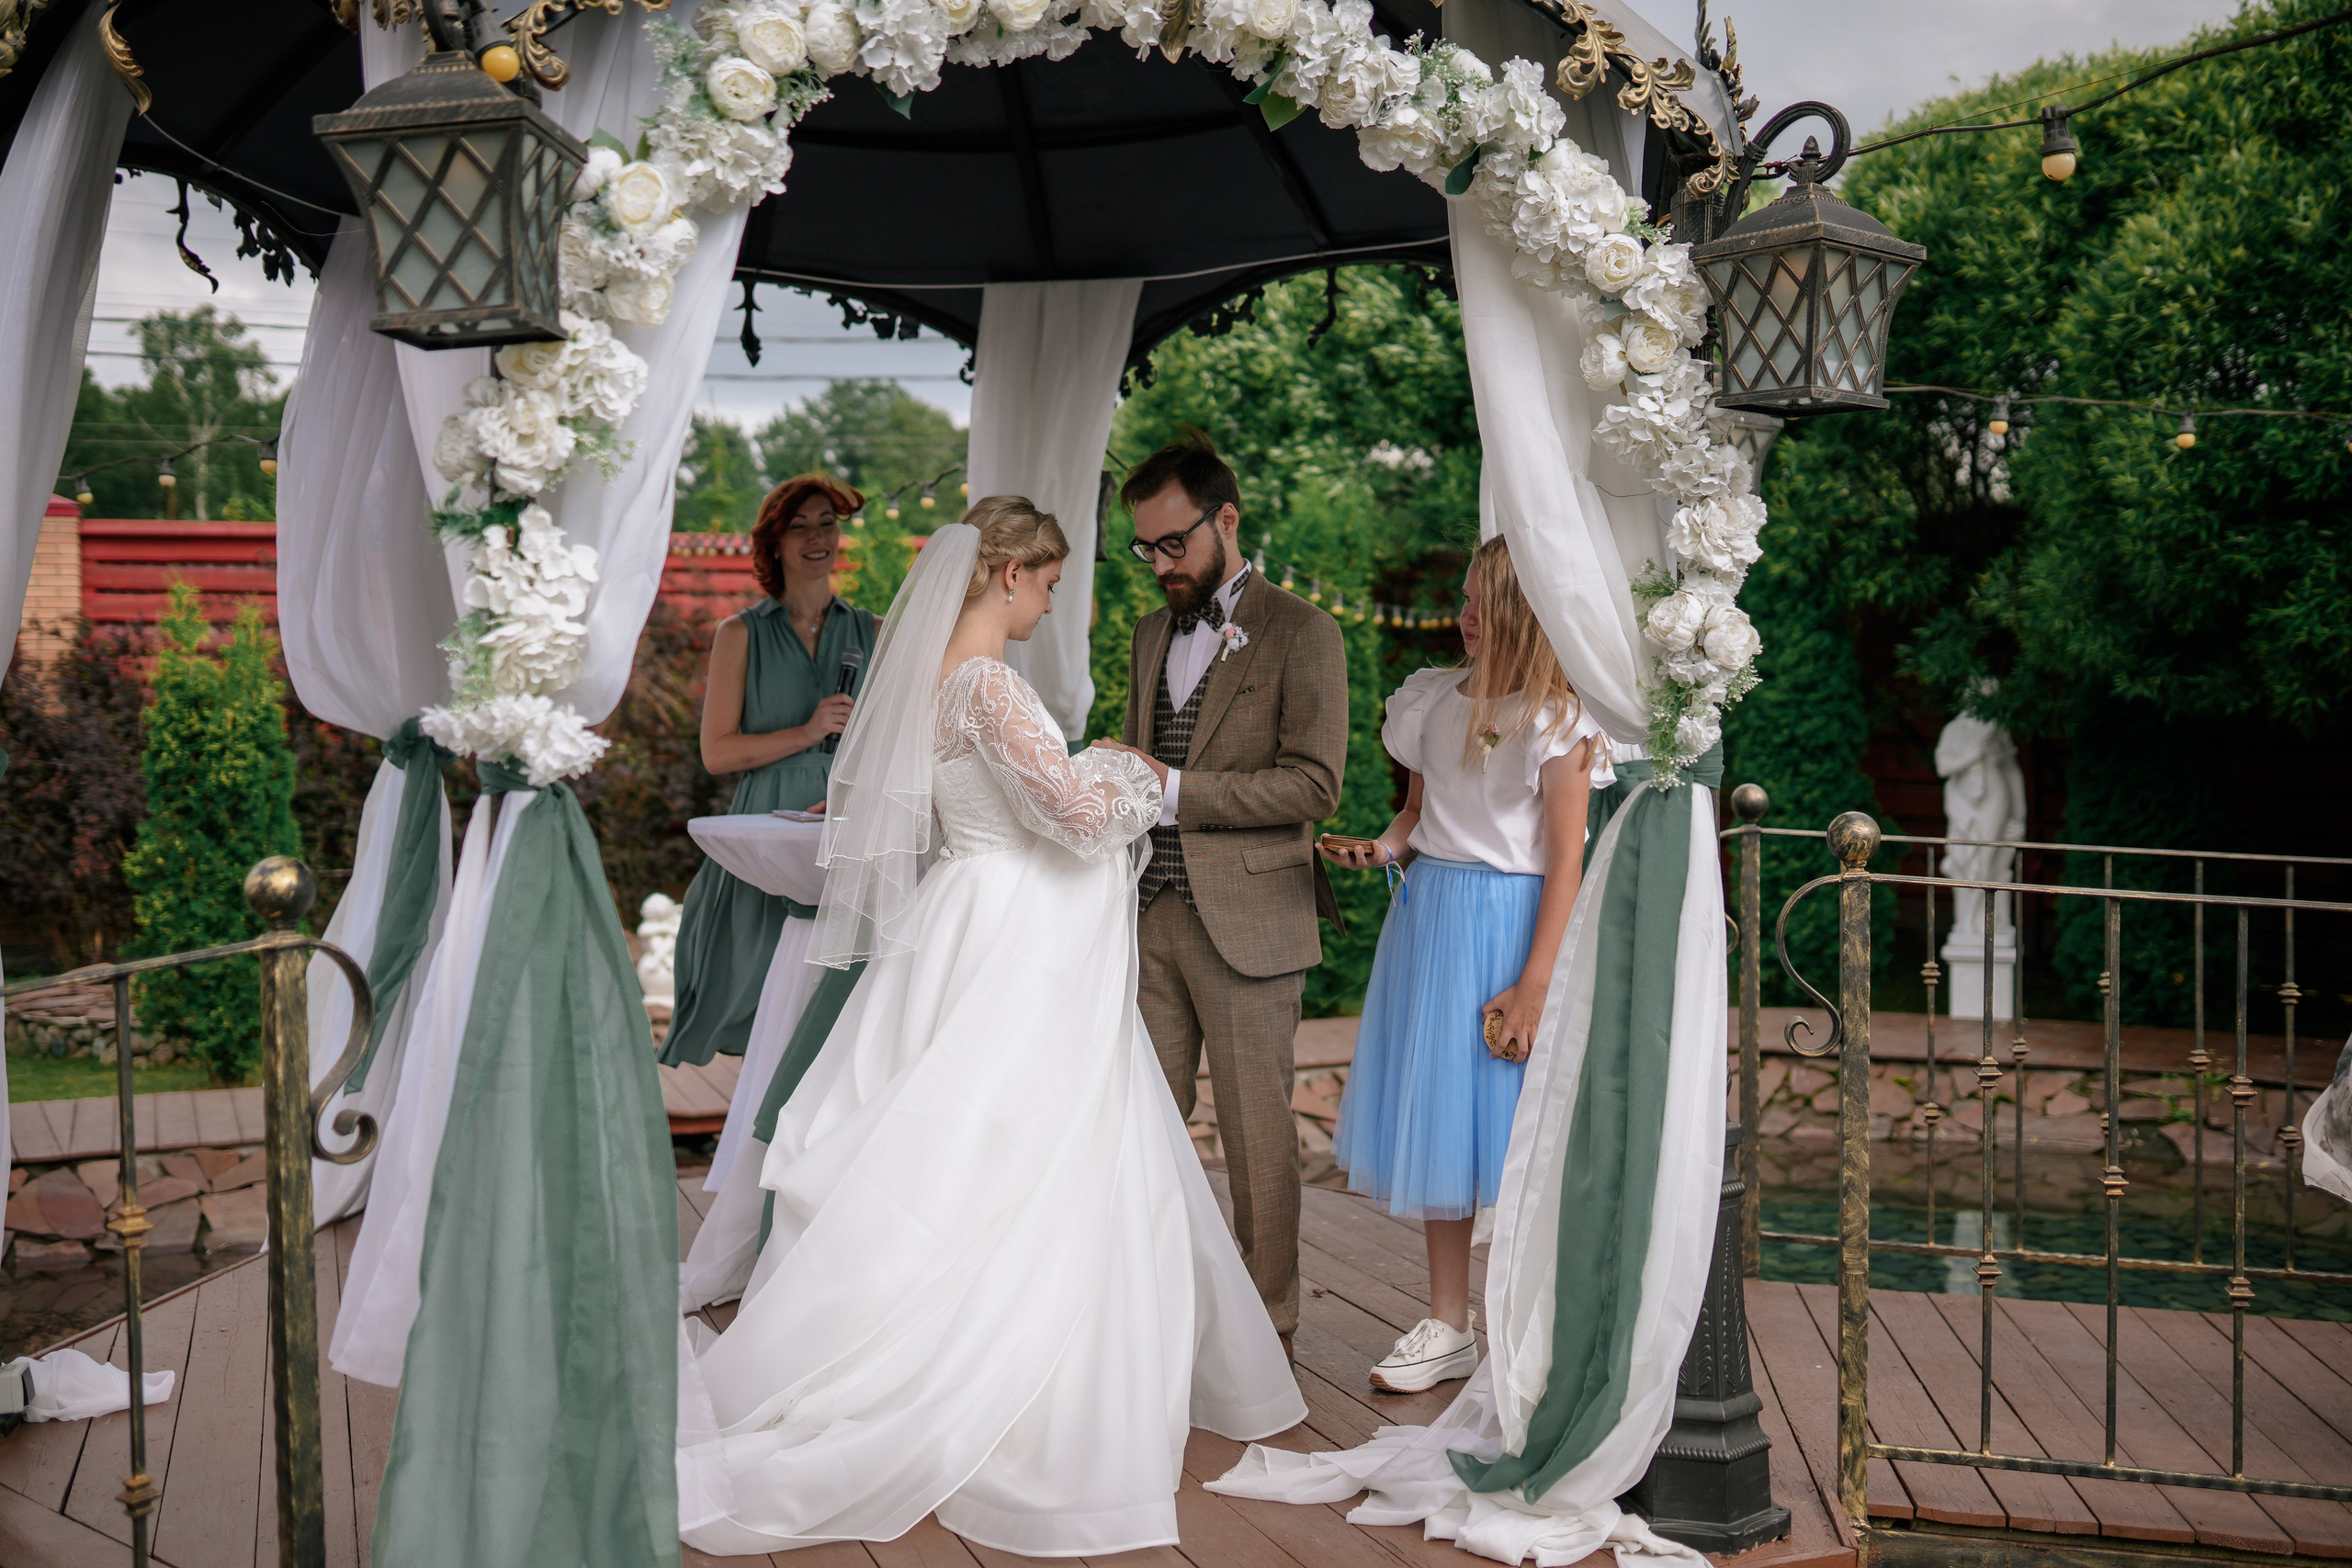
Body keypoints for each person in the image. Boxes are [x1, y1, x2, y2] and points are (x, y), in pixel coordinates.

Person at [676, 502, 1305, 1559]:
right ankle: (1033, 1374)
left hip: (965, 919)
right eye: (1049, 581)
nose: (1054, 599)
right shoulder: (986, 684)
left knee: (962, 1141)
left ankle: (1006, 1341)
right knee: (1023, 1145)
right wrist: (1130, 772)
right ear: (1006, 574)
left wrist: (1094, 770)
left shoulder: (919, 679)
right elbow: (1065, 813)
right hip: (1019, 931)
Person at [1318, 536, 1606, 1393]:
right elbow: (1415, 812)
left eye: (1483, 602)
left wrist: (1534, 982)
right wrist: (1381, 847)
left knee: (1525, 1131)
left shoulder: (1559, 722)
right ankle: (1449, 1322)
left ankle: (1534, 1319)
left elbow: (1566, 863)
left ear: (1523, 611)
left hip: (1513, 924)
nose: (1464, 614)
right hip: (1430, 918)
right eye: (1466, 597)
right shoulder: (1429, 701)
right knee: (1442, 1123)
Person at [1091, 432, 1348, 1360]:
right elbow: (1138, 764)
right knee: (1141, 1129)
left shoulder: (1304, 632)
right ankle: (1151, 1317)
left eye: (1174, 544)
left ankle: (1265, 1331)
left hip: (1251, 925)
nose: (1160, 565)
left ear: (1225, 519)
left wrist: (1172, 791)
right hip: (1148, 913)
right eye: (1145, 547)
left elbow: (1314, 787)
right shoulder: (1148, 633)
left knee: (1254, 1138)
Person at [662, 475, 876, 1070]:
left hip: (845, 824)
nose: (816, 537)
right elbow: (718, 754)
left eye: (826, 523)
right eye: (799, 526)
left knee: (838, 997)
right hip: (767, 825)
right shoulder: (741, 634)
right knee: (755, 987)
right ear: (774, 543)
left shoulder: (875, 632)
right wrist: (807, 732)